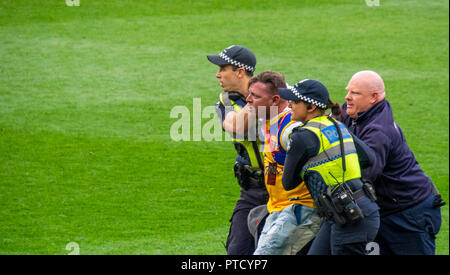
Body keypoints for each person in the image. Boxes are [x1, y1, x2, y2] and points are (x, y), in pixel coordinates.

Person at [340, 70, 443, 255]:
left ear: (374, 97)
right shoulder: (355, 113)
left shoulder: (378, 131)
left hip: (409, 215)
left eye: (355, 93)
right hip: (387, 210)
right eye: (348, 91)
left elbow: (364, 177)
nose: (347, 97)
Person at [280, 79, 380, 255]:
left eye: (295, 102)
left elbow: (288, 183)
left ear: (310, 107)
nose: (290, 106)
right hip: (354, 211)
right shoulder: (337, 125)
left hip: (349, 217)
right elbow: (368, 158)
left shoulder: (301, 137)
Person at [244, 71, 322, 255]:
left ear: (274, 100)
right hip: (279, 209)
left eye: (255, 96)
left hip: (298, 211)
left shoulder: (291, 128)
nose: (247, 99)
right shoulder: (269, 122)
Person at [207, 45, 268, 255]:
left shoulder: (277, 94)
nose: (218, 74)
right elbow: (237, 127)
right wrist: (258, 99)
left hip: (284, 188)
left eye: (223, 68)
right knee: (237, 251)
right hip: (252, 188)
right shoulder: (226, 101)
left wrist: (265, 96)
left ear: (240, 72)